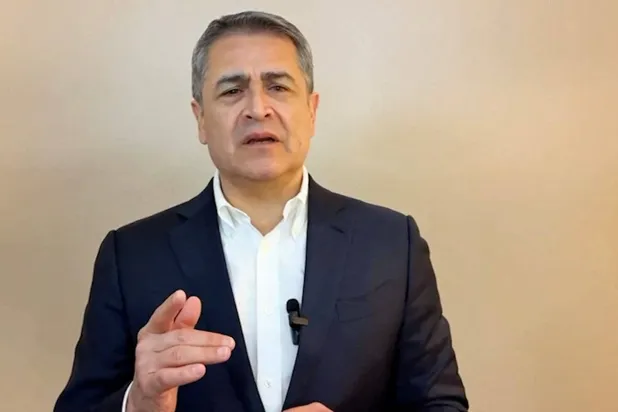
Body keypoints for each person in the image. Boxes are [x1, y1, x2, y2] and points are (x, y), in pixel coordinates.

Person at [53, 10, 469, 412]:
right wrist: (139, 404)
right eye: (232, 91)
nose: (258, 108)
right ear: (201, 119)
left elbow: (440, 403)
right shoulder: (131, 255)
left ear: (312, 110)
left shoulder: (392, 244)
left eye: (278, 87)